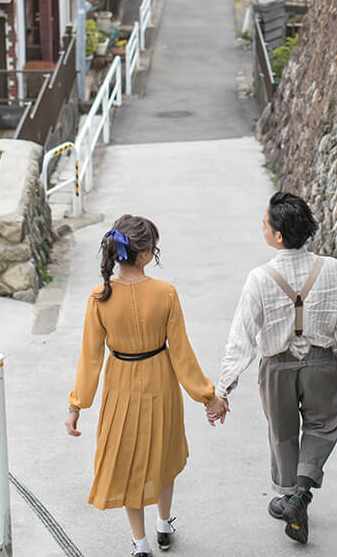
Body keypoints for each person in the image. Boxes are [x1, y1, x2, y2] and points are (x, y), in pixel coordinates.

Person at [65, 214, 227, 556]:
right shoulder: (165, 293)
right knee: (163, 454)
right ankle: (164, 524)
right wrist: (208, 397)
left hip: (119, 384)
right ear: (147, 253)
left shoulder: (99, 296)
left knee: (127, 462)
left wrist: (76, 404)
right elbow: (182, 353)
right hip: (160, 381)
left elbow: (90, 358)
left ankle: (140, 543)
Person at [208, 191, 337, 545]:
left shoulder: (260, 278)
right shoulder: (332, 268)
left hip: (277, 367)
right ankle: (302, 494)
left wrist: (223, 387)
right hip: (321, 362)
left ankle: (291, 498)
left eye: (265, 222)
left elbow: (241, 336)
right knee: (324, 424)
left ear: (278, 236)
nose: (262, 225)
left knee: (283, 432)